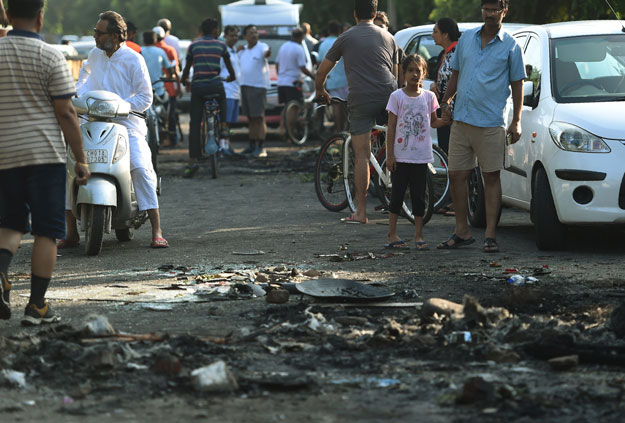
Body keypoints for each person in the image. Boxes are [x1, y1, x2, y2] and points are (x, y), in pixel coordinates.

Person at [0, 0, 90, 325]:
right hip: (44, 154)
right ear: (41, 16)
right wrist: (81, 159)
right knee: (46, 231)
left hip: (4, 154)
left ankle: (0, 274)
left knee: (9, 225)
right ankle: (37, 306)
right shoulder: (50, 55)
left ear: (8, 14)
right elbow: (66, 112)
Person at [65, 10, 169, 249]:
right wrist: (78, 96)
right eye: (95, 32)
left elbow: (145, 98)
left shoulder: (134, 59)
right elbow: (82, 79)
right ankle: (71, 232)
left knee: (141, 168)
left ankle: (157, 229)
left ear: (115, 35)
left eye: (99, 33)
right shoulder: (94, 54)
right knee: (69, 169)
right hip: (92, 122)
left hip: (127, 124)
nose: (95, 37)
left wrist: (119, 107)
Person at [437, 0, 526, 253]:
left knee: (491, 177)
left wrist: (516, 120)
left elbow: (518, 84)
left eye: (495, 10)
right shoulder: (467, 39)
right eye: (486, 9)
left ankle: (490, 235)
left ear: (504, 11)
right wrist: (446, 101)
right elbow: (455, 73)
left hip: (490, 122)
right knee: (456, 175)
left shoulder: (511, 45)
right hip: (461, 120)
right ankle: (462, 231)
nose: (490, 14)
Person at [316, 0, 399, 224]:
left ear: (355, 14)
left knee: (361, 155)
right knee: (395, 142)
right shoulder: (389, 37)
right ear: (375, 13)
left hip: (361, 99)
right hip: (389, 95)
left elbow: (323, 69)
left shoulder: (345, 37)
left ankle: (361, 213)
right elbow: (396, 75)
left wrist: (319, 90)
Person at [384, 55, 447, 251]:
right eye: (410, 70)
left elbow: (433, 122)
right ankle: (391, 234)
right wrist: (390, 155)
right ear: (403, 73)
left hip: (421, 157)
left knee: (419, 197)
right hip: (401, 157)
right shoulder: (397, 97)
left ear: (424, 74)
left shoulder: (429, 97)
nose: (414, 74)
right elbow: (392, 127)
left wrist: (447, 119)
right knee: (397, 195)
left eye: (417, 70)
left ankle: (418, 235)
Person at [181, 18, 235, 177]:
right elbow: (230, 67)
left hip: (198, 88)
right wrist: (232, 77)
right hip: (215, 86)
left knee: (195, 124)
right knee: (223, 98)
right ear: (214, 31)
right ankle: (224, 124)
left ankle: (193, 159)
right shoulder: (221, 45)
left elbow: (187, 68)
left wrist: (184, 80)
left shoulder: (194, 45)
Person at [238, 25, 271, 158]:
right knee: (250, 118)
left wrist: (269, 53)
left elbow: (266, 53)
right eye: (251, 33)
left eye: (255, 32)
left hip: (258, 87)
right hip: (245, 86)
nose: (254, 35)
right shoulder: (243, 50)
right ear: (245, 36)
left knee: (259, 117)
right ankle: (252, 145)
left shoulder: (262, 46)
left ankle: (261, 147)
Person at [276, 27, 315, 138]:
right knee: (294, 108)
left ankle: (282, 128)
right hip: (292, 82)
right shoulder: (298, 49)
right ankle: (291, 133)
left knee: (286, 106)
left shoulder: (283, 46)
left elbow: (277, 64)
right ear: (301, 37)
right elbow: (302, 67)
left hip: (282, 82)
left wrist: (281, 75)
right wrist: (313, 76)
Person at [430, 18, 460, 156]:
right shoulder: (445, 54)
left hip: (453, 115)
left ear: (446, 34)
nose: (432, 35)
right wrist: (433, 84)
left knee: (454, 158)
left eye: (435, 31)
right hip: (444, 113)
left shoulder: (457, 53)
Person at [153, 25, 181, 148]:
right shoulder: (169, 50)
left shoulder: (147, 50)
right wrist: (179, 86)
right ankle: (172, 139)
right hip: (169, 88)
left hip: (152, 87)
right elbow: (175, 70)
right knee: (171, 115)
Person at [317, 20, 348, 133]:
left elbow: (320, 63)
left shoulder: (323, 44)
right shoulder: (342, 41)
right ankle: (345, 130)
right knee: (346, 107)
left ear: (329, 31)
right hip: (345, 79)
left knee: (336, 106)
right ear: (339, 31)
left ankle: (339, 130)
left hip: (332, 80)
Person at [218, 25, 241, 156]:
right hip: (227, 91)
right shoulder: (223, 50)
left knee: (230, 122)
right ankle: (222, 147)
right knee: (224, 121)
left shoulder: (234, 51)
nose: (234, 38)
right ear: (225, 36)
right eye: (232, 35)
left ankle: (227, 145)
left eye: (236, 35)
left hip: (235, 91)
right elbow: (220, 70)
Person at [374, 11, 405, 87]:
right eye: (375, 27)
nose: (378, 30)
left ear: (387, 27)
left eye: (381, 27)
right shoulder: (368, 49)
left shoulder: (398, 51)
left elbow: (402, 81)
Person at [141, 30, 174, 99]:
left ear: (143, 40)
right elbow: (169, 69)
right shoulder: (160, 52)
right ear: (155, 40)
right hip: (159, 90)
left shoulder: (139, 51)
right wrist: (170, 76)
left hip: (142, 91)